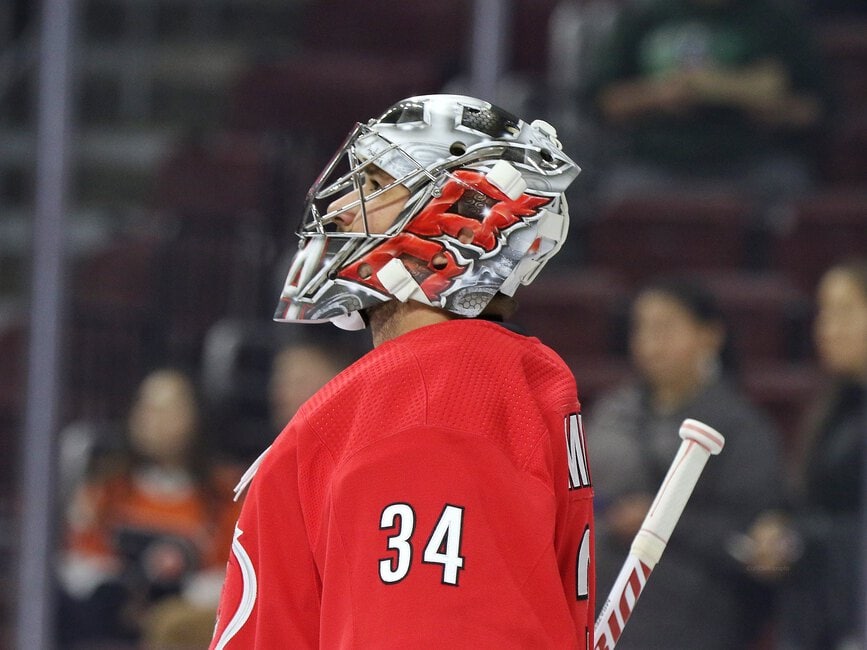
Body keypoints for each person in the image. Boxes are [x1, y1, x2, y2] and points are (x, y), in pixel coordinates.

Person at [209, 94, 595, 648]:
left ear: (460, 216)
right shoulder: (471, 382)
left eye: (374, 185)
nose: (341, 209)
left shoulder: (430, 400)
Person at [586, 277, 785, 649]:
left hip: (696, 615)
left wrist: (659, 522)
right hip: (606, 607)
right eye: (641, 328)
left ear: (709, 336)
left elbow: (754, 543)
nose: (649, 343)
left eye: (665, 328)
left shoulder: (743, 428)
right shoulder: (613, 412)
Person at [57, 368, 241, 647]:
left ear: (196, 417)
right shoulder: (106, 489)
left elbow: (232, 574)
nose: (155, 420)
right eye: (148, 408)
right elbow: (80, 562)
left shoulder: (225, 494)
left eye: (169, 409)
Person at [742, 259, 867, 650]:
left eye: (844, 312)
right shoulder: (831, 406)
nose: (827, 329)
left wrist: (799, 538)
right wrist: (778, 536)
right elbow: (809, 503)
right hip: (817, 615)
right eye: (823, 313)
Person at [587, 0, 827, 202]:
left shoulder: (776, 18)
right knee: (619, 195)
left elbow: (818, 110)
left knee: (787, 185)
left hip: (750, 161)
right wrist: (658, 95)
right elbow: (600, 103)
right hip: (656, 161)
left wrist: (763, 102)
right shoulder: (644, 14)